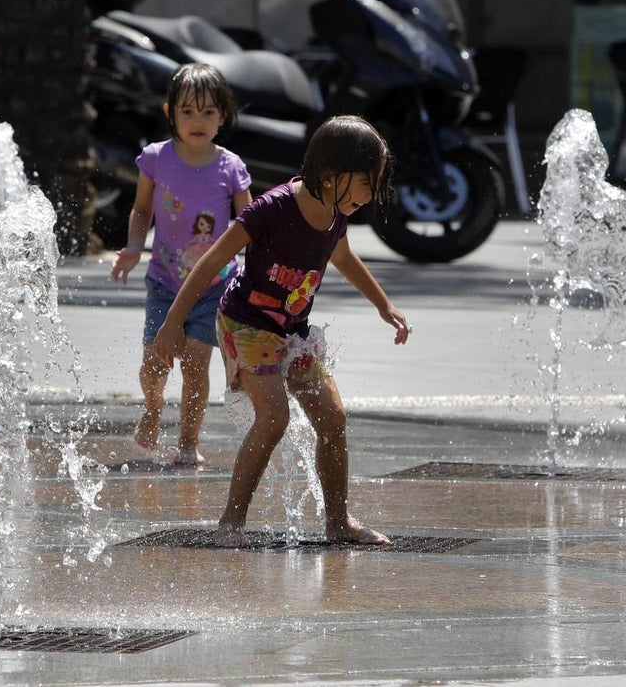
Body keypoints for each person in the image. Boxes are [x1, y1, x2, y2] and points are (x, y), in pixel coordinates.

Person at [154, 115, 409, 546]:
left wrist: (383, 304)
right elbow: (212, 261)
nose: (370, 195)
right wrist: (173, 323)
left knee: (333, 418)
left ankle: (338, 522)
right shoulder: (270, 210)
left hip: (292, 328)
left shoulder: (335, 213)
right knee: (274, 417)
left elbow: (343, 258)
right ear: (330, 177)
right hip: (246, 323)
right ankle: (230, 523)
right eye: (366, 183)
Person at [110, 62, 253, 468]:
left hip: (214, 283)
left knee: (194, 363)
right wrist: (134, 247)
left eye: (208, 112)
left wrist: (253, 269)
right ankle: (153, 409)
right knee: (154, 363)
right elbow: (141, 211)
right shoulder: (155, 159)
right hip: (165, 280)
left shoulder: (231, 167)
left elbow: (249, 224)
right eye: (187, 111)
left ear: (222, 116)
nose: (198, 120)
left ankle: (189, 441)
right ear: (169, 112)